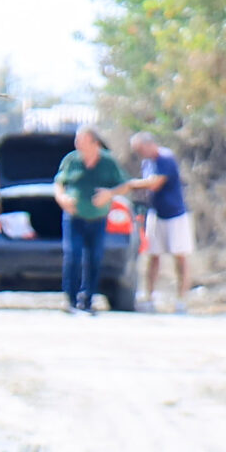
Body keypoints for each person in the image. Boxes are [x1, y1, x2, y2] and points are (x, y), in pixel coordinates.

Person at [51, 124, 127, 315]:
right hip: (74, 217)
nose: (77, 144)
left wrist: (109, 194)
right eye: (77, 140)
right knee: (72, 255)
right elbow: (59, 184)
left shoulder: (108, 162)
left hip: (97, 218)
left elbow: (125, 186)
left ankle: (88, 298)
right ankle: (70, 298)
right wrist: (62, 198)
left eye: (82, 140)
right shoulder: (71, 160)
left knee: (94, 257)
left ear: (94, 143)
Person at [128, 132, 193, 312]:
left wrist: (129, 185)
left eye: (140, 149)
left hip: (175, 214)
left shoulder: (165, 158)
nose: (140, 153)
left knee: (180, 256)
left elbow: (155, 183)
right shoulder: (147, 162)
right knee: (153, 255)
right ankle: (150, 296)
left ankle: (182, 299)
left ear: (149, 144)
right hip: (156, 213)